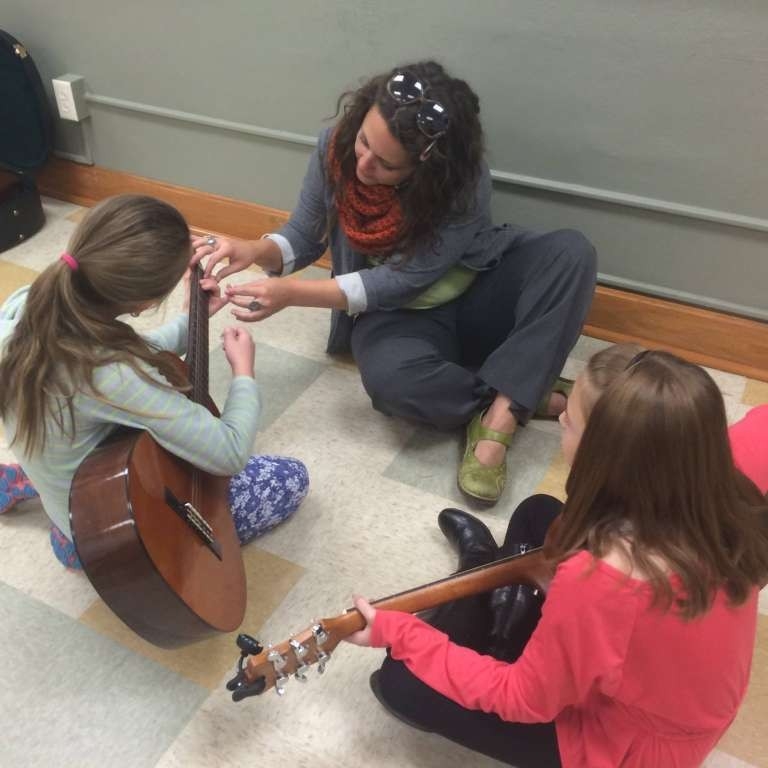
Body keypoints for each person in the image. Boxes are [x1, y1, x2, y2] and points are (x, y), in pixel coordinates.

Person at [191, 60, 597, 505]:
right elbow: (303, 238)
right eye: (364, 142)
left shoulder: (462, 180)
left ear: (427, 167)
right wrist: (252, 249)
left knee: (572, 252)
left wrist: (293, 294)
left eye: (386, 165)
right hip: (399, 319)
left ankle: (501, 416)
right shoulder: (335, 147)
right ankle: (523, 386)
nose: (363, 163)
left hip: (475, 287)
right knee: (392, 384)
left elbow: (405, 278)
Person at [346, 347, 768, 768]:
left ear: (605, 457)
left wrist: (400, 633)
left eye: (570, 422)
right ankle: (494, 598)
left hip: (623, 745)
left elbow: (524, 700)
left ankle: (480, 570)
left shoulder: (604, 579)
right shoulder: (723, 477)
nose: (561, 421)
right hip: (674, 699)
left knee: (402, 681)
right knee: (539, 514)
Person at [0, 194, 308, 569]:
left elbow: (113, 354)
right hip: (102, 541)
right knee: (290, 478)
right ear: (143, 304)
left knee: (94, 438)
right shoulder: (113, 375)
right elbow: (229, 451)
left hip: (65, 497)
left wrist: (189, 322)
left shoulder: (29, 303)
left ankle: (31, 480)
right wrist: (244, 374)